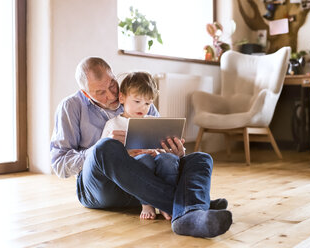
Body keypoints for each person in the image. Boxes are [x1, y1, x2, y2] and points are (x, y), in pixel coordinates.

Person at [50, 57, 232, 238]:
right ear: (85, 92)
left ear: (114, 76)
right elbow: (59, 164)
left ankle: (190, 213)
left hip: (144, 186)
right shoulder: (70, 107)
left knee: (200, 158)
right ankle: (193, 205)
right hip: (101, 188)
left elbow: (159, 148)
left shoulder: (137, 98)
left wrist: (175, 152)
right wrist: (110, 150)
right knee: (105, 147)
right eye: (100, 92)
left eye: (112, 85)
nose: (111, 95)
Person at [101, 71, 179, 220]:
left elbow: (162, 148)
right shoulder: (113, 124)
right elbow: (105, 156)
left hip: (156, 161)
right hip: (134, 167)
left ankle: (166, 203)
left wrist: (160, 151)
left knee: (169, 160)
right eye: (137, 101)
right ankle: (147, 203)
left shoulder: (152, 120)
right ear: (122, 97)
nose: (143, 107)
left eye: (148, 103)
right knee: (144, 160)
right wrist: (128, 154)